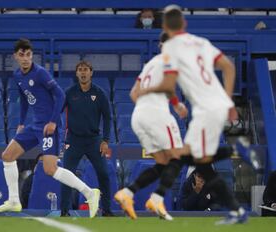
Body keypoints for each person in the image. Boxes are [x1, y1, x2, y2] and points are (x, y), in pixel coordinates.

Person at [136, 5, 253, 224]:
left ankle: (156, 198)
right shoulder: (201, 43)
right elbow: (228, 67)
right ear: (184, 24)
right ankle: (236, 209)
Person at [0, 38, 100, 218]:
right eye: (21, 55)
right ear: (15, 57)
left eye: (28, 54)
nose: (25, 58)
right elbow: (25, 98)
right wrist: (21, 123)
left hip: (49, 126)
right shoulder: (18, 76)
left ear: (32, 56)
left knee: (50, 169)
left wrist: (53, 121)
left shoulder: (40, 73)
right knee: (7, 155)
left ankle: (89, 193)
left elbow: (60, 95)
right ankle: (14, 201)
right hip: (34, 126)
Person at [114, 31, 186, 220]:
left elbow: (133, 94)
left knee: (162, 162)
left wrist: (146, 108)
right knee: (178, 158)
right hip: (157, 114)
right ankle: (156, 199)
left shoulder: (149, 65)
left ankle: (127, 194)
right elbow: (168, 87)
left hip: (138, 116)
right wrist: (177, 104)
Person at [60, 61, 114, 217]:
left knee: (103, 173)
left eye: (86, 70)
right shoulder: (69, 92)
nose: (83, 73)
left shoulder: (99, 93)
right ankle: (64, 211)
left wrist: (106, 140)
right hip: (73, 140)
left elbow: (108, 117)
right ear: (76, 73)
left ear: (91, 73)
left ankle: (107, 210)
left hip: (94, 141)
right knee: (66, 174)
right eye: (80, 70)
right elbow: (58, 110)